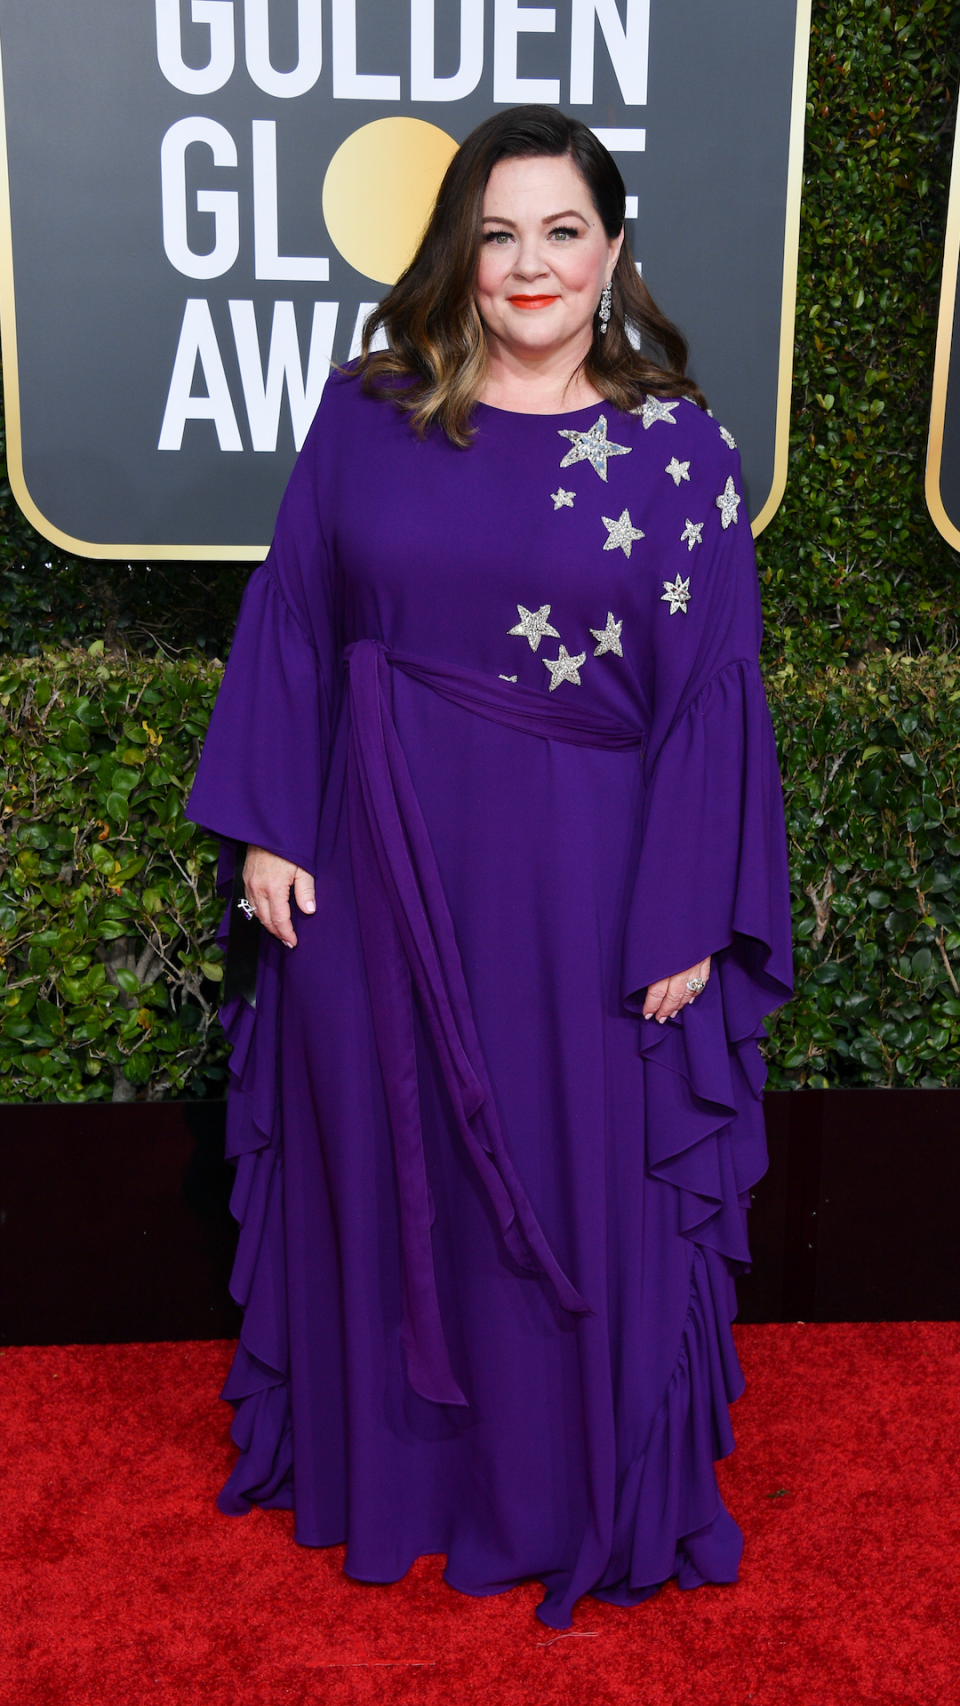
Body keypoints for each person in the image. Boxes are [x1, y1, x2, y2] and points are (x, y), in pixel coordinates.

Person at [187, 106, 793, 1631]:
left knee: (574, 1186)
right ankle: (400, 1483)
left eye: (563, 231)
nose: (529, 264)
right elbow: (298, 616)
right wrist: (267, 819)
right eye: (499, 230)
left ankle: (566, 1490)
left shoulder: (675, 447)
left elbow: (714, 687)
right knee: (386, 1168)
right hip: (366, 866)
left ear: (611, 254)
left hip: (581, 891)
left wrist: (689, 919)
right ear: (458, 247)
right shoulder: (366, 411)